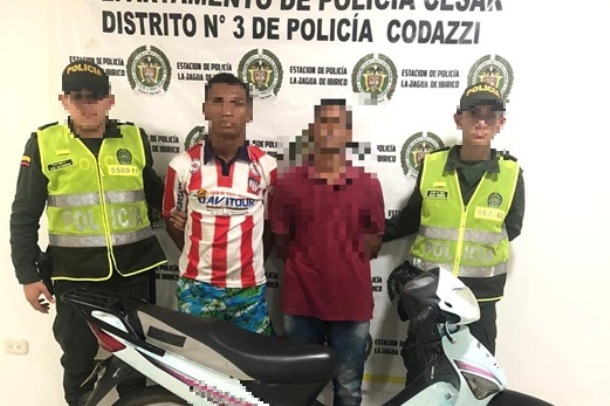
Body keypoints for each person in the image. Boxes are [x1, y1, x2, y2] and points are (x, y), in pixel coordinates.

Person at [10, 60, 167, 406]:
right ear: (63, 100)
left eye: (94, 97)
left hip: (134, 271)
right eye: (77, 97)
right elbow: (24, 216)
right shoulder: (43, 143)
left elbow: (153, 193)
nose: (86, 105)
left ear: (109, 100)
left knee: (136, 357)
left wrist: (180, 211)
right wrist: (27, 275)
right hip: (74, 275)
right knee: (78, 359)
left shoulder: (134, 138)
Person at [384, 82, 525, 369]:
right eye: (474, 114)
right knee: (422, 374)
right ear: (459, 119)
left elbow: (512, 228)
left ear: (501, 123)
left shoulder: (511, 174)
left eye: (490, 115)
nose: (481, 122)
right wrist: (366, 232)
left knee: (476, 378)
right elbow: (410, 220)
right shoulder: (432, 165)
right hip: (431, 295)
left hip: (481, 298)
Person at [269, 99, 385, 406]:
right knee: (298, 391)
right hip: (301, 305)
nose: (331, 130)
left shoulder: (368, 184)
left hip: (351, 306)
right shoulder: (289, 184)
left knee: (348, 389)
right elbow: (280, 241)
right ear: (313, 130)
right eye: (325, 122)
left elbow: (374, 241)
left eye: (338, 123)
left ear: (349, 133)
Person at [163, 72, 277, 335]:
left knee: (250, 357)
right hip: (197, 287)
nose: (227, 111)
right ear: (205, 109)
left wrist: (249, 262)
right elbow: (173, 223)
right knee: (197, 357)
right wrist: (200, 258)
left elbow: (270, 227)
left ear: (249, 113)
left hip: (248, 288)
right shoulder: (182, 166)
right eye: (218, 101)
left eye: (236, 103)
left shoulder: (266, 167)